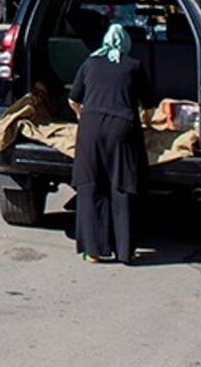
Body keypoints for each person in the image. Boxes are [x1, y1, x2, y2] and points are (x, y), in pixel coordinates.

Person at [69, 23, 154, 264]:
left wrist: (82, 115)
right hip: (122, 128)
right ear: (125, 43)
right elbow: (147, 106)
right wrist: (147, 123)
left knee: (90, 184)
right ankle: (125, 251)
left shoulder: (89, 63)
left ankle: (93, 251)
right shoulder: (134, 66)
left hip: (91, 128)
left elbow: (73, 99)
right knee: (122, 184)